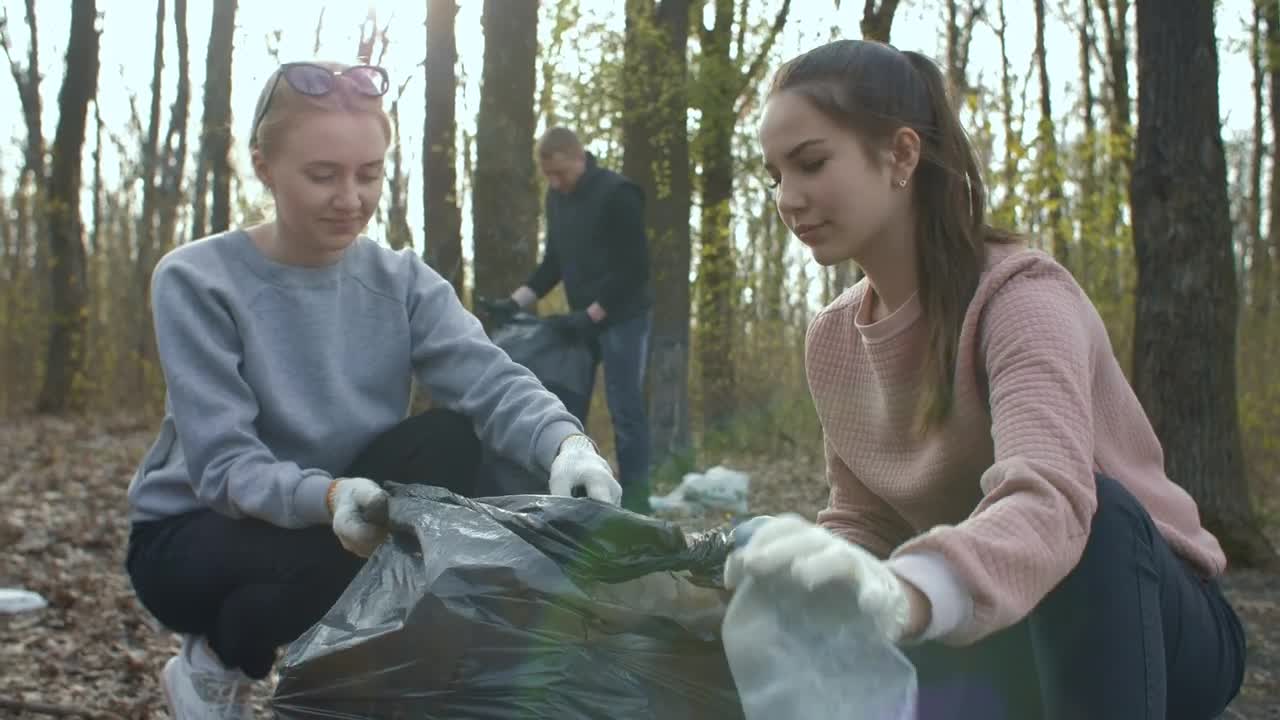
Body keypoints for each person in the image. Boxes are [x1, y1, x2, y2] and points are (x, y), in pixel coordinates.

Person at [725, 39, 1247, 720]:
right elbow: (861, 517)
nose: (788, 199)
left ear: (902, 155)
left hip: (1157, 619)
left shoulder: (1021, 297)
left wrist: (906, 592)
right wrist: (820, 586)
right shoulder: (832, 337)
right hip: (996, 621)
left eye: (812, 163)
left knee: (1101, 514)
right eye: (773, 175)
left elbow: (1053, 497)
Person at [124, 61, 622, 720]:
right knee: (351, 545)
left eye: (370, 174)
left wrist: (568, 447)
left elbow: (490, 378)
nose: (351, 198)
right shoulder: (197, 280)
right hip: (195, 539)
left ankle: (246, 648)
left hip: (341, 520)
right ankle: (219, 662)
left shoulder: (400, 281)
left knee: (448, 442)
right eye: (323, 175)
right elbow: (223, 467)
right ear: (264, 166)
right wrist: (327, 495)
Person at [485, 127, 654, 514]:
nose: (555, 183)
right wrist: (514, 303)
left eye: (560, 174)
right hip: (583, 320)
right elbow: (553, 264)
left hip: (623, 317)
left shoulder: (618, 194)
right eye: (549, 176)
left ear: (579, 157)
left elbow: (635, 269)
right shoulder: (558, 198)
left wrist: (593, 314)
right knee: (566, 403)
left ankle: (639, 506)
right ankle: (577, 498)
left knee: (625, 409)